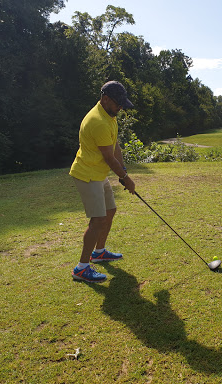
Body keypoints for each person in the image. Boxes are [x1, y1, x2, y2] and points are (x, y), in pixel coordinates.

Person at [69, 81, 136, 283]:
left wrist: (123, 172)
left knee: (110, 211)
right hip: (88, 174)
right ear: (105, 99)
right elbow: (108, 157)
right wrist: (126, 179)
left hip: (98, 173)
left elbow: (114, 146)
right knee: (97, 220)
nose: (121, 108)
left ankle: (99, 252)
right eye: (118, 104)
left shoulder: (110, 115)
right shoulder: (97, 121)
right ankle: (81, 268)